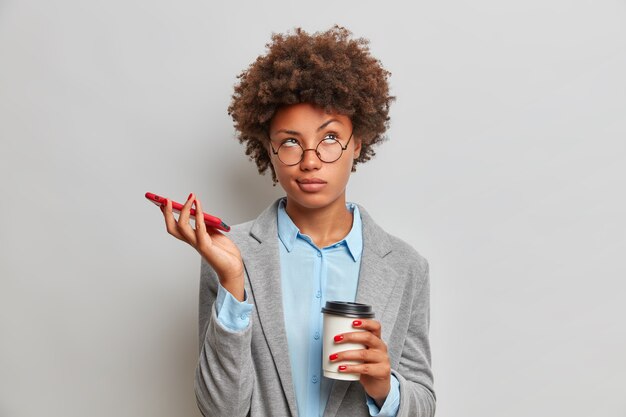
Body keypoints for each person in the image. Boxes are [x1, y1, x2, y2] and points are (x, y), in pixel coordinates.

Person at [160, 25, 435, 417]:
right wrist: (233, 283)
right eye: (290, 141)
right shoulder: (228, 254)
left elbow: (424, 403)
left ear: (357, 142)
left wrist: (384, 387)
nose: (309, 160)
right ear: (268, 149)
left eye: (329, 138)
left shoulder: (406, 268)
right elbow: (221, 410)